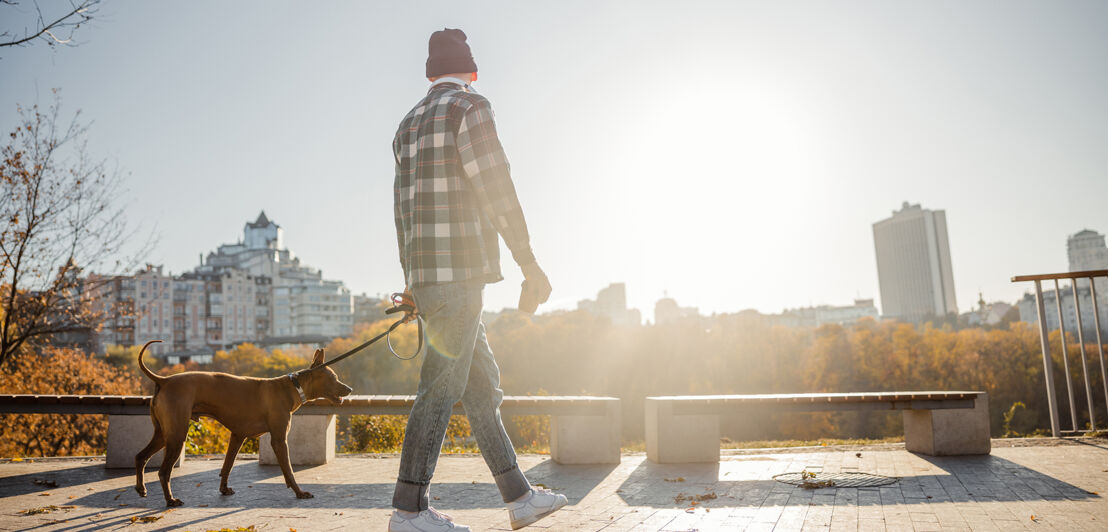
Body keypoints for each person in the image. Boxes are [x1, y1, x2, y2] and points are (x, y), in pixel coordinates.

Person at [388, 28, 565, 532]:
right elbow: (496, 187)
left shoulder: (406, 125)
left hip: (429, 277)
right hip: (461, 273)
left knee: (482, 389)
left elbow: (402, 211)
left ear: (429, 74)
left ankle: (520, 497)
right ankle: (409, 510)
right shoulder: (470, 108)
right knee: (440, 389)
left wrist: (413, 283)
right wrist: (529, 262)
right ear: (472, 72)